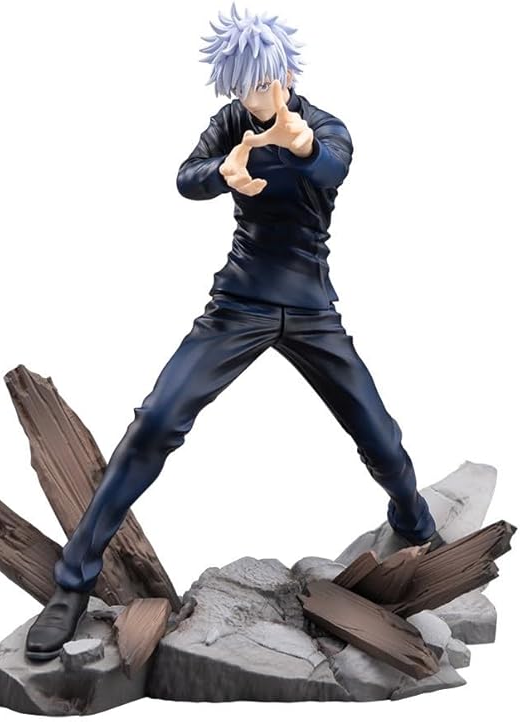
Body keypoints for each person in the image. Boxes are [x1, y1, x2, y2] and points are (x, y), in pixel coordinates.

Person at [25, 4, 444, 661]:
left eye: (267, 81)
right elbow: (185, 178)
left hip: (310, 308)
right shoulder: (229, 124)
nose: (258, 96)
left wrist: (299, 146)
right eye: (247, 86)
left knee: (379, 437)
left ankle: (414, 522)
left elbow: (330, 166)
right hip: (238, 304)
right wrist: (224, 171)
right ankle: (72, 582)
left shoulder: (324, 126)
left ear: (289, 73)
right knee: (155, 423)